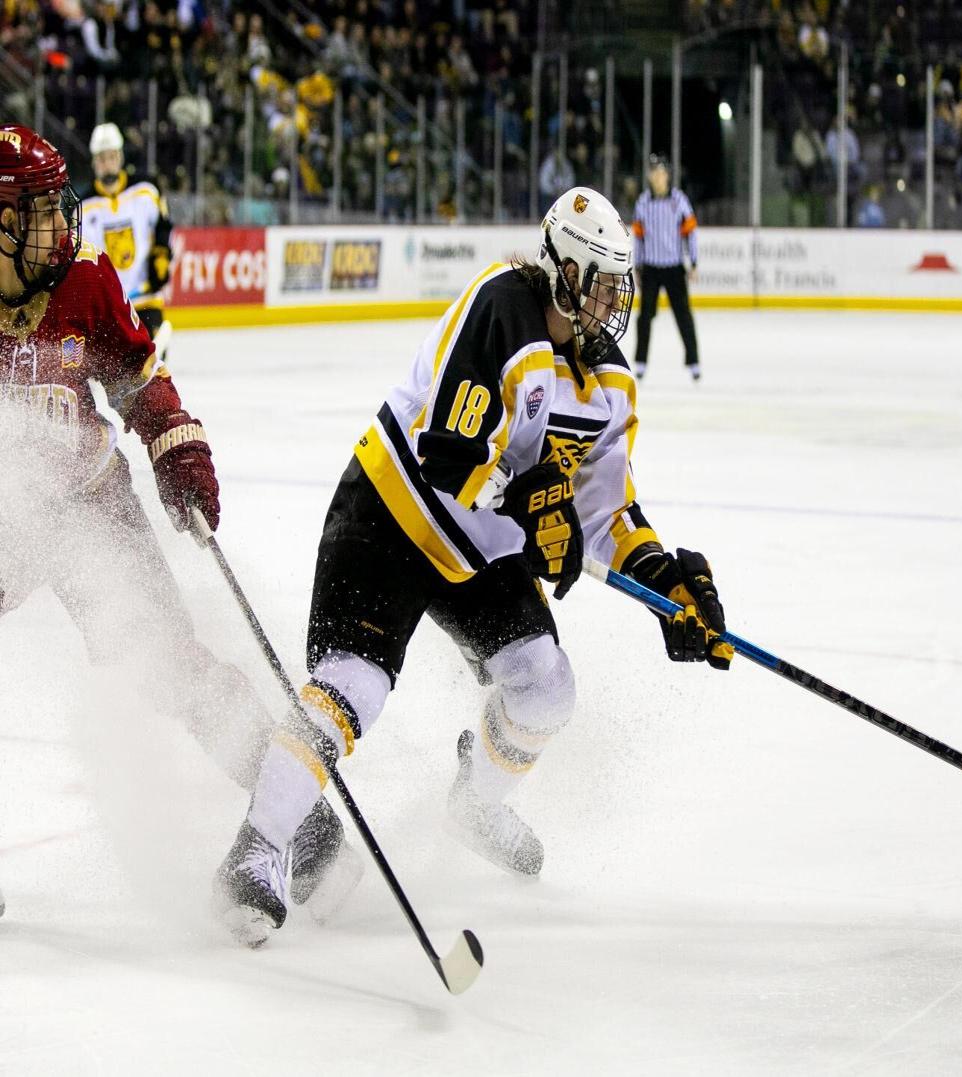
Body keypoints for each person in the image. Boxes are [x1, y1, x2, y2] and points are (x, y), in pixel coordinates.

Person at [211, 186, 734, 947]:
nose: (612, 301)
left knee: (546, 684)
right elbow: (451, 453)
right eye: (600, 281)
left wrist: (667, 586)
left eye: (619, 284)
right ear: (560, 271)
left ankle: (478, 803)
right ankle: (256, 848)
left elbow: (605, 511)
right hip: (391, 515)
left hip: (477, 550)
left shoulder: (610, 383)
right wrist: (533, 505)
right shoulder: (502, 307)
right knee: (353, 687)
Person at [0, 124, 359, 921]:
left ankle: (302, 823)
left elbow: (137, 378)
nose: (62, 227)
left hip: (93, 508)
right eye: (40, 212)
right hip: (10, 517)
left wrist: (175, 447)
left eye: (62, 208)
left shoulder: (85, 281)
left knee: (172, 666)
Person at [79, 123, 173, 360]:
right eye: (101, 158)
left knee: (155, 374)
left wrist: (161, 257)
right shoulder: (82, 206)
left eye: (111, 157)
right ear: (94, 162)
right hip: (111, 308)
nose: (106, 164)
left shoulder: (145, 190)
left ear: (120, 156)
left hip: (146, 299)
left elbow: (162, 227)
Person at [630, 155, 701, 381]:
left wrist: (694, 262)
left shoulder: (678, 200)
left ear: (668, 176)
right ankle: (640, 362)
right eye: (654, 173)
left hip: (674, 268)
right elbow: (638, 237)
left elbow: (691, 232)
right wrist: (637, 266)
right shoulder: (643, 202)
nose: (658, 177)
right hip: (651, 268)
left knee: (683, 316)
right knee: (645, 318)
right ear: (650, 177)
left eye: (662, 173)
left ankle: (693, 361)